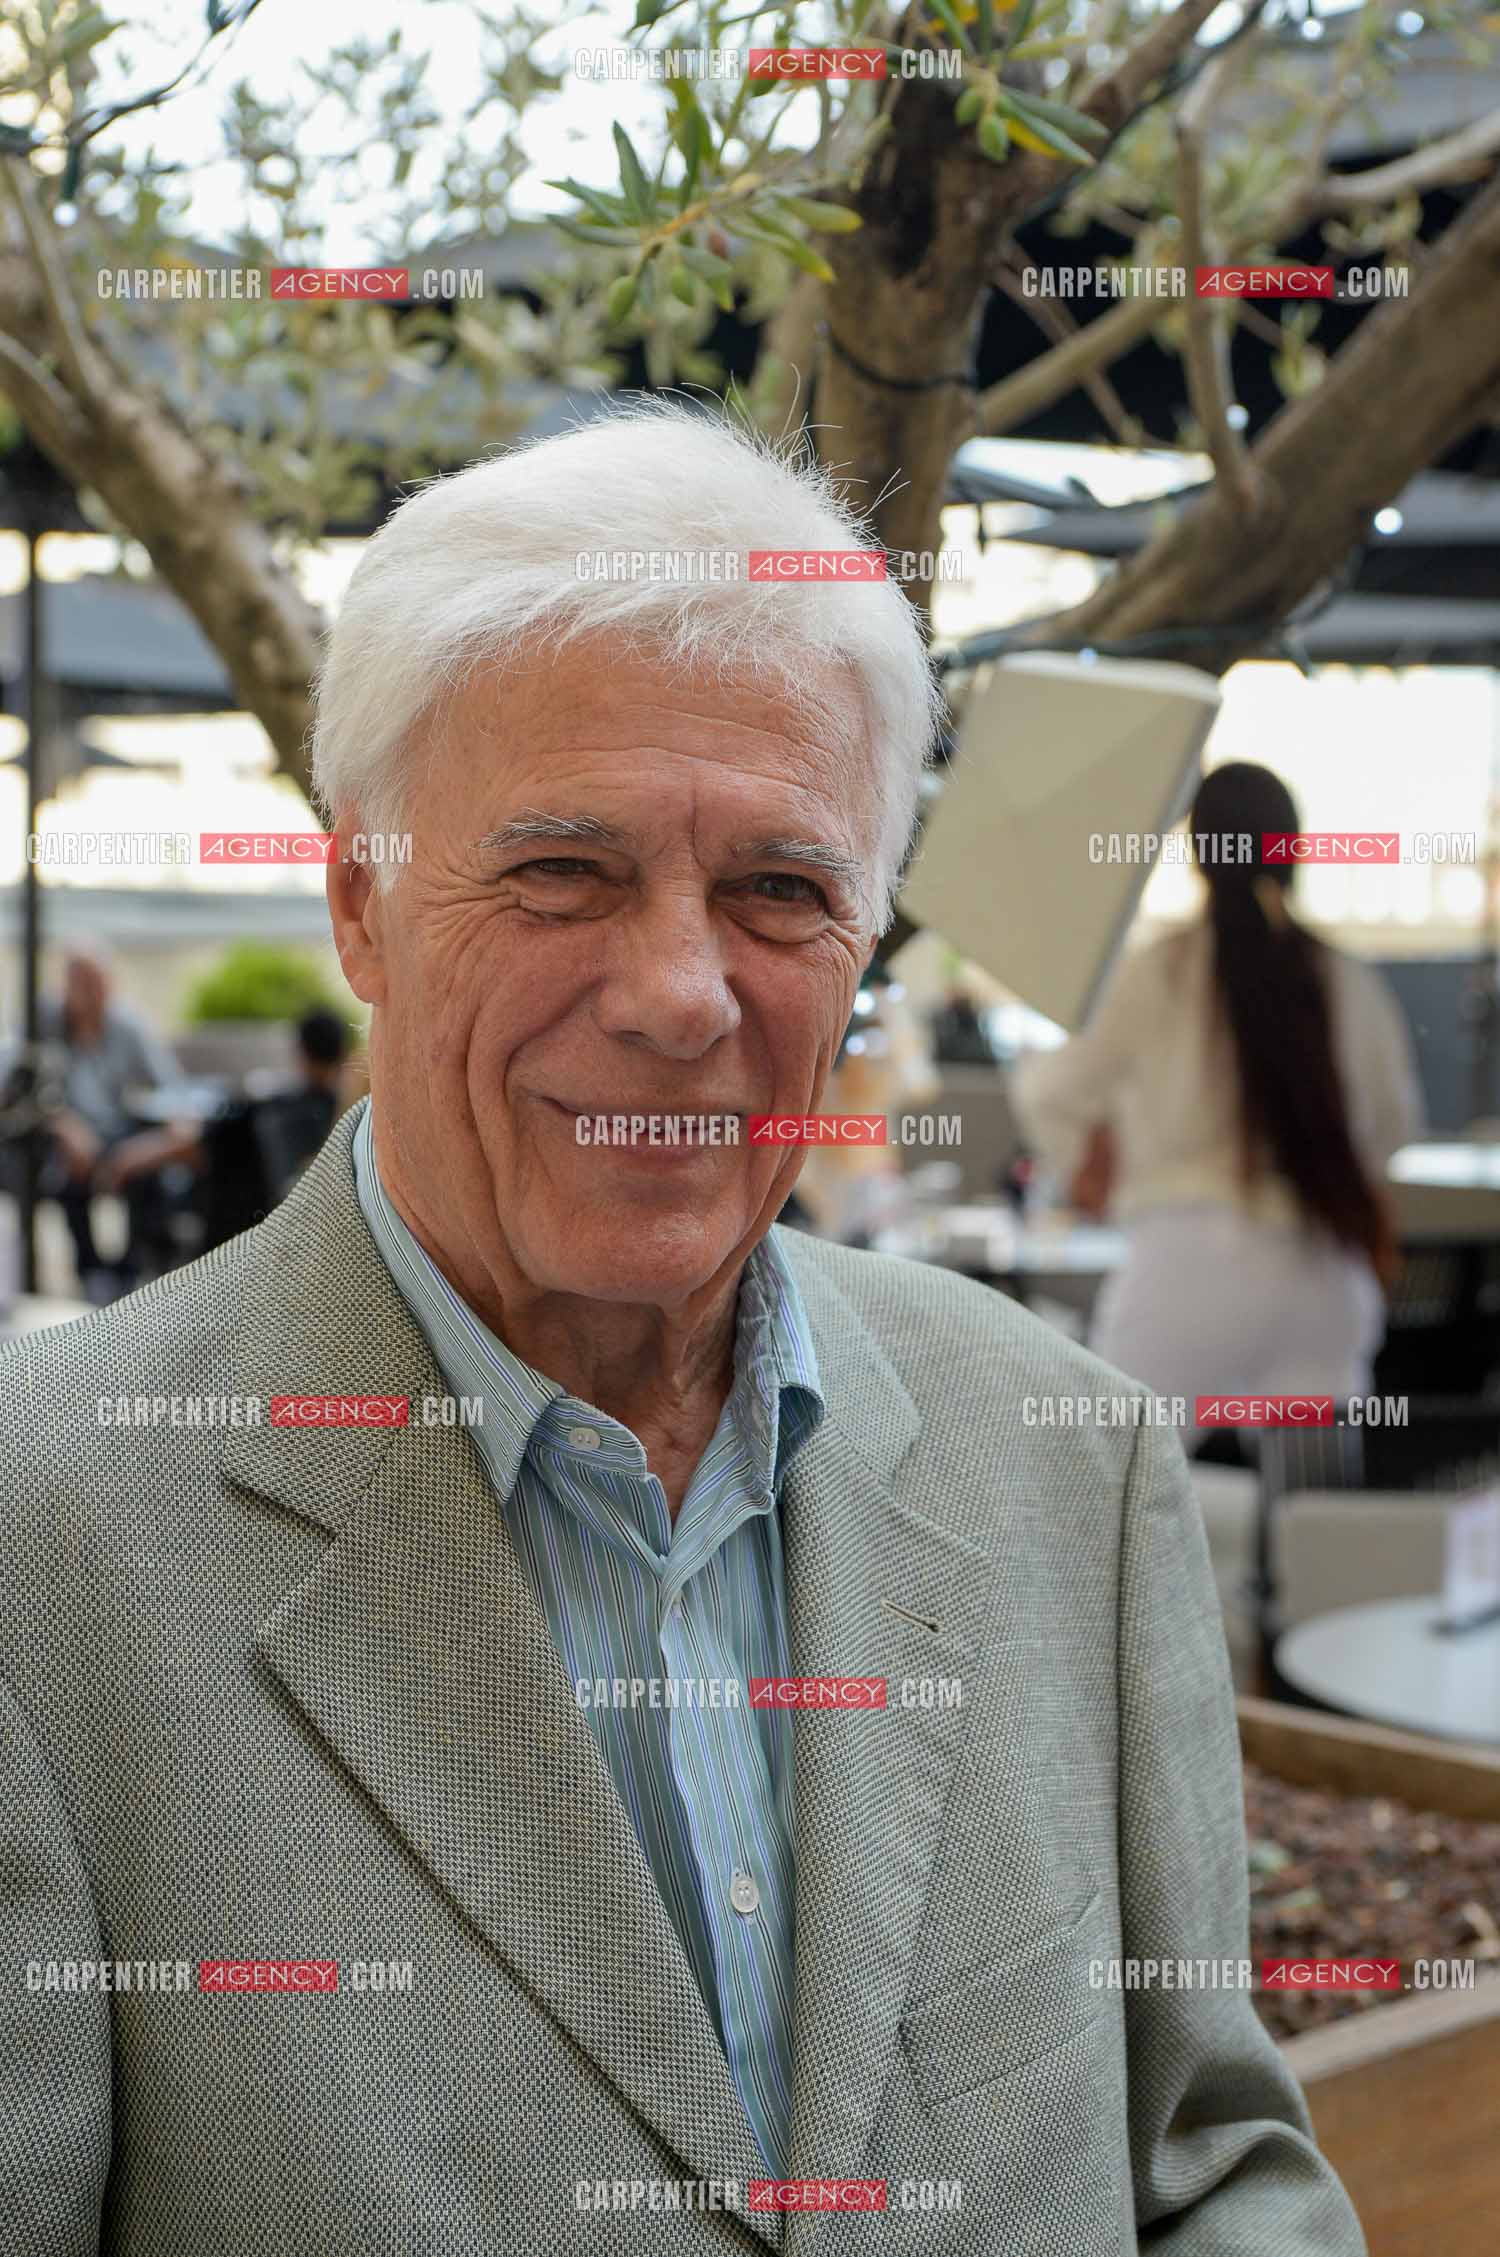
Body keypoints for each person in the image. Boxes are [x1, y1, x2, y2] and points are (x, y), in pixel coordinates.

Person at [0, 409, 1366, 2256]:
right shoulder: (49, 1533)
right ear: (361, 908)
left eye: (780, 890)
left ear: (868, 938)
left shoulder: (1070, 1455)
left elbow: (1209, 2164)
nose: (676, 993)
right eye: (561, 870)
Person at [1014, 762, 1425, 1433]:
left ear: (1200, 852)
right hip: (1326, 1273)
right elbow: (1391, 1127)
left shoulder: (1158, 969)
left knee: (1110, 1483)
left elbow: (1052, 1092)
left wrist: (1090, 1162)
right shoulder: (1345, 977)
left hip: (1189, 1263)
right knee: (1312, 1519)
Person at [37, 945, 183, 1300]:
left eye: (96, 983)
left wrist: (140, 1149)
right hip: (65, 1136)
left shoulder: (129, 1026)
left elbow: (171, 1090)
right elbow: (22, 1090)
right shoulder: (44, 1025)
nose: (89, 994)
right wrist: (64, 1125)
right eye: (80, 983)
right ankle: (89, 1272)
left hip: (119, 1132)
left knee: (147, 1177)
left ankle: (129, 1274)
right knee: (64, 1176)